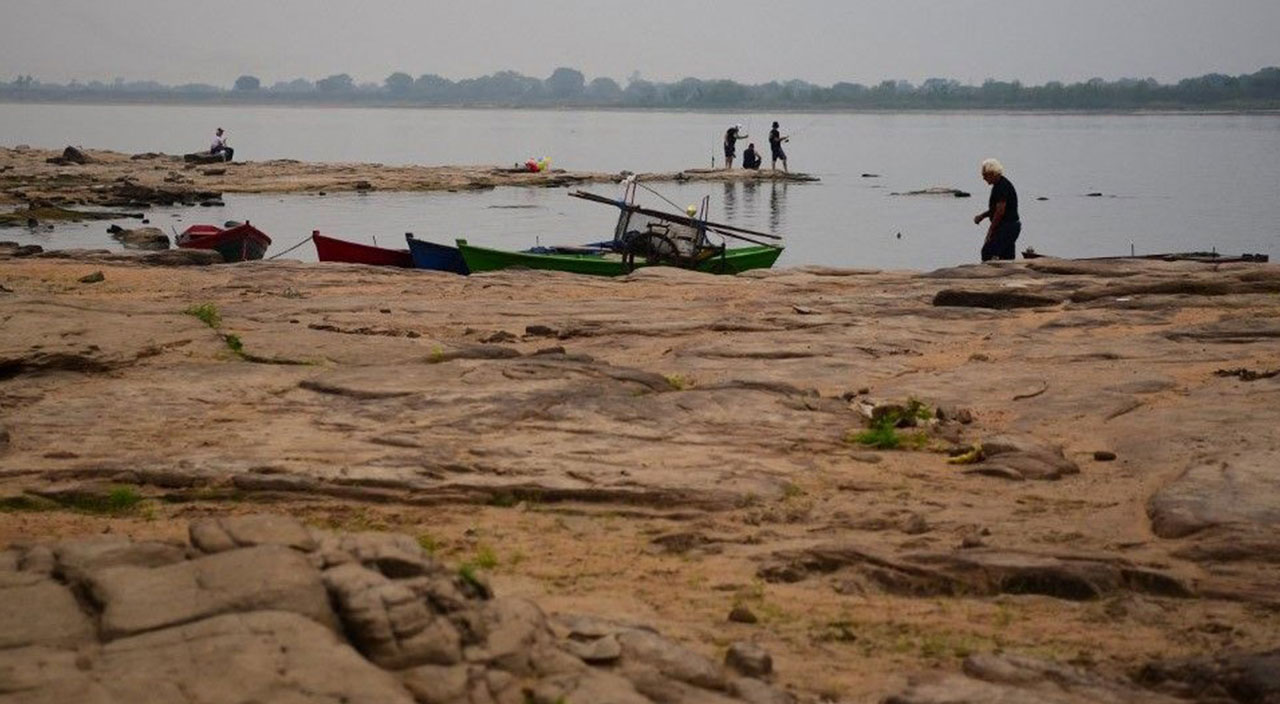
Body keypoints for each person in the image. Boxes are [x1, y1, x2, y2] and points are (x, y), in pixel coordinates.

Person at [973, 158, 1020, 261]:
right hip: (1012, 226)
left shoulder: (1001, 187)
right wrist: (982, 216)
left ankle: (988, 275)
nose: (983, 178)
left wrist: (991, 230)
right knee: (1007, 256)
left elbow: (1000, 211)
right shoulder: (999, 185)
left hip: (1008, 226)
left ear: (993, 173)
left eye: (985, 175)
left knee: (987, 252)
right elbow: (995, 209)